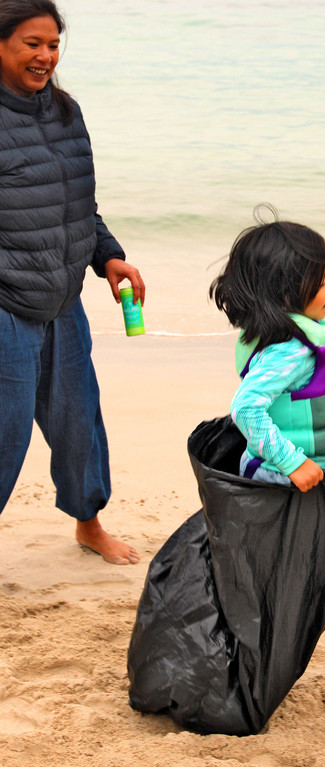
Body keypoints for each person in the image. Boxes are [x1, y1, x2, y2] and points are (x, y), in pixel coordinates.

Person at [0, 0, 144, 564]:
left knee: (79, 422)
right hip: (8, 306)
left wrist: (108, 257)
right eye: (31, 44)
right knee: (4, 437)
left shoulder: (65, 111)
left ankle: (89, 524)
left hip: (63, 301)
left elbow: (79, 203)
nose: (45, 56)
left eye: (53, 44)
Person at [209, 210, 325, 492]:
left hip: (307, 470)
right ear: (286, 291)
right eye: (323, 280)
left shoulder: (306, 331)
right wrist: (292, 463)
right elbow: (246, 408)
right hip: (277, 477)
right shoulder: (289, 350)